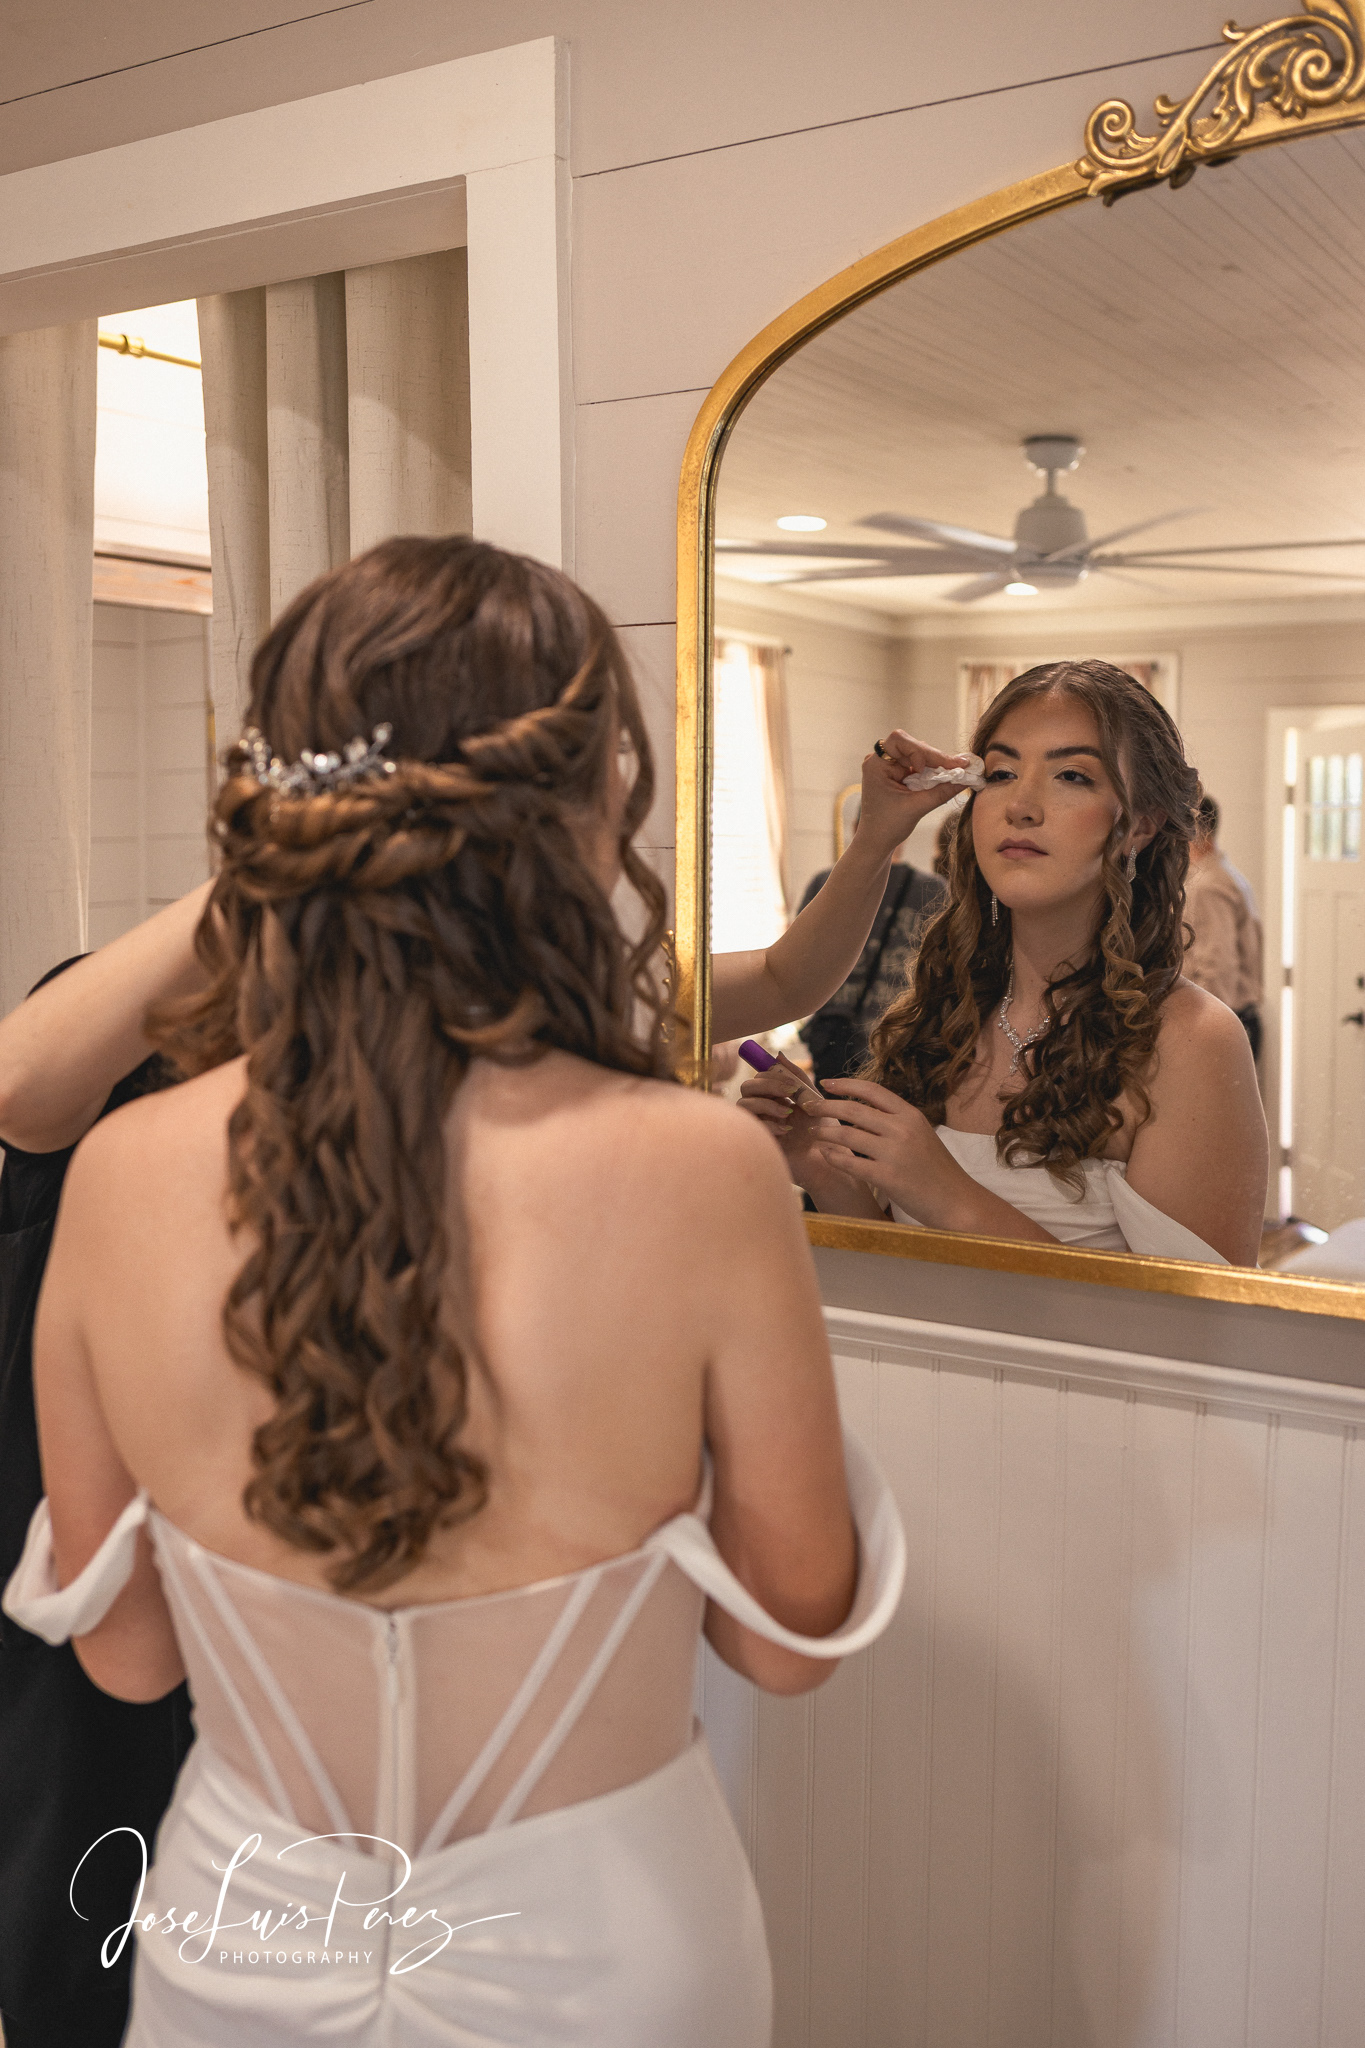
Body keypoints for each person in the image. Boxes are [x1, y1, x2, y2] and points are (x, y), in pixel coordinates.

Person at [1, 537, 904, 2047]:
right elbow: (784, 1644)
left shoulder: (123, 1173)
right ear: (593, 798)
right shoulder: (698, 1170)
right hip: (606, 1948)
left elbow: (129, 1655)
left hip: (240, 1940)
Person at [741, 660, 1268, 1267]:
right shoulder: (941, 1017)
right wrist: (826, 1171)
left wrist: (949, 1194)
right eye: (1000, 773)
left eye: (1071, 776)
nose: (1020, 804)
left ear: (1141, 826)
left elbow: (1200, 1319)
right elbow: (907, 1278)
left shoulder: (1191, 1042)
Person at [0, 965, 195, 2048]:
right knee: (77, 1969)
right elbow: (20, 1080)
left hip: (236, 1654)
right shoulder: (66, 1161)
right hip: (72, 1663)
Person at [710, 733, 971, 1045]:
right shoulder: (831, 882)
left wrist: (875, 835)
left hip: (889, 1035)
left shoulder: (932, 888)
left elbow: (782, 981)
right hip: (859, 1035)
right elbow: (783, 981)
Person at [796, 849, 945, 1086]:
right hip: (896, 1040)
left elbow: (801, 960)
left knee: (831, 1107)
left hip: (843, 1038)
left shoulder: (825, 882)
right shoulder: (932, 889)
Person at [1183, 793, 1264, 1060]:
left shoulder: (1208, 886)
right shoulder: (1227, 875)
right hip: (1235, 1019)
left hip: (1221, 1022)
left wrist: (1201, 1030)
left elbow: (1218, 967)